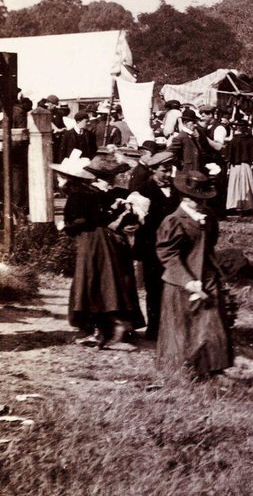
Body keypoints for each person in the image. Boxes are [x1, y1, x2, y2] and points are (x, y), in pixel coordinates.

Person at [56, 152, 143, 348]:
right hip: (103, 240)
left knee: (92, 281)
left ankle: (102, 329)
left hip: (93, 242)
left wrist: (65, 226)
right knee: (104, 281)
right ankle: (106, 326)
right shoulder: (94, 194)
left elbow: (82, 221)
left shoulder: (81, 195)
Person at [155, 171, 234, 377]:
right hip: (182, 280)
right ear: (184, 198)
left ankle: (214, 370)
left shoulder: (208, 219)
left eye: (204, 200)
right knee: (183, 329)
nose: (201, 204)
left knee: (213, 323)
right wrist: (188, 280)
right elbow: (168, 255)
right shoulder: (173, 221)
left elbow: (210, 246)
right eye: (196, 200)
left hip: (207, 277)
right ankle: (182, 371)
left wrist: (216, 273)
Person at [132, 150, 181, 340]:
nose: (168, 174)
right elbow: (140, 226)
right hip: (152, 247)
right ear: (153, 170)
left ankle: (172, 325)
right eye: (163, 171)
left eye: (170, 170)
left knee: (174, 285)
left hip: (174, 247)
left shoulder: (177, 190)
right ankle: (154, 328)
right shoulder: (144, 192)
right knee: (154, 288)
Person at [224, 121, 253, 214]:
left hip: (235, 166)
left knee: (235, 184)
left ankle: (235, 205)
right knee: (247, 184)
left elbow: (227, 155)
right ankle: (248, 205)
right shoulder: (249, 140)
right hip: (245, 165)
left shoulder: (233, 141)